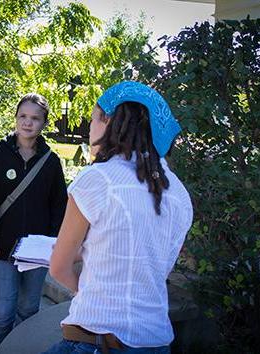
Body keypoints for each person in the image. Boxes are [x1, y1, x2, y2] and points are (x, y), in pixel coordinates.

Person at [45, 81, 193, 354]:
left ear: (109, 121)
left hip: (97, 341)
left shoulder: (97, 179)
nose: (89, 129)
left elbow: (58, 268)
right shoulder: (180, 195)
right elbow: (144, 260)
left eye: (92, 119)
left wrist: (91, 292)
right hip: (157, 342)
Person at [0, 93, 68, 354]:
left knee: (29, 311)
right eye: (23, 116)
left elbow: (59, 205)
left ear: (44, 123)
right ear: (16, 118)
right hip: (1, 248)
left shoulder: (51, 161)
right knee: (1, 315)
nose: (28, 123)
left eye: (35, 118)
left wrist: (53, 242)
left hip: (37, 252)